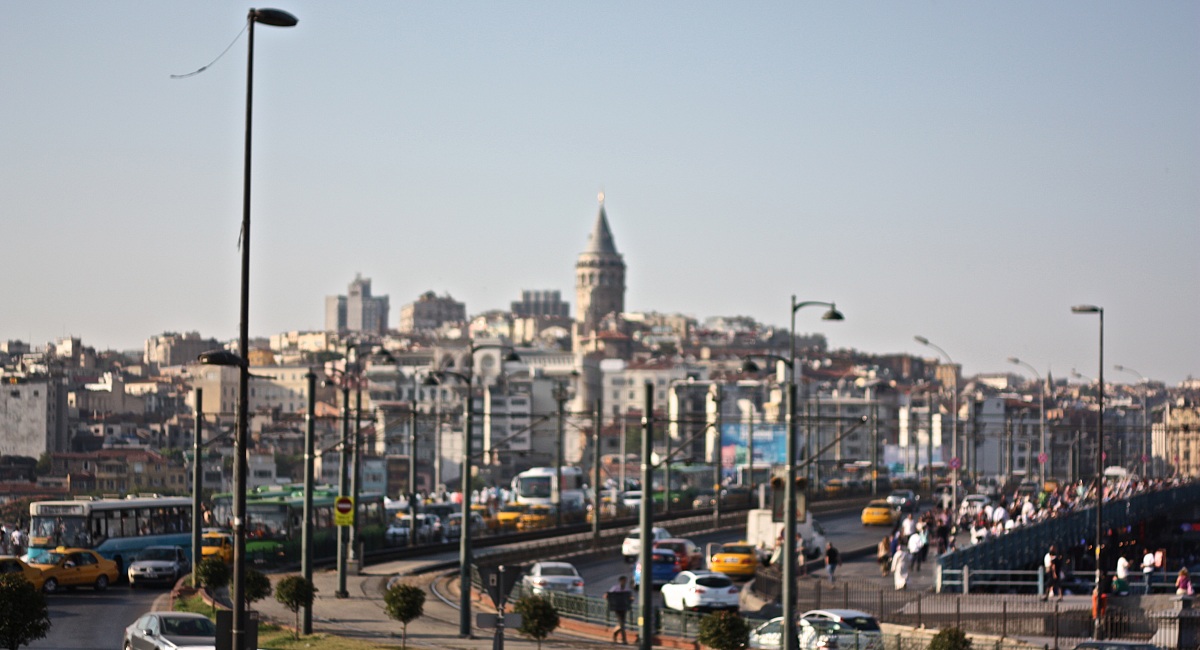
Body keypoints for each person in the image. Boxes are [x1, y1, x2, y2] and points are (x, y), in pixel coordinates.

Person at [605, 576, 633, 644]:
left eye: (625, 581)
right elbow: (608, 594)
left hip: (624, 608)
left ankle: (615, 633)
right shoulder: (615, 588)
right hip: (617, 608)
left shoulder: (626, 589)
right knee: (622, 624)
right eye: (623, 581)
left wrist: (630, 599)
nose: (624, 582)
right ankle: (624, 639)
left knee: (622, 624)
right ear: (620, 581)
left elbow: (630, 597)